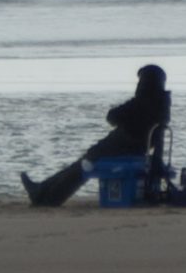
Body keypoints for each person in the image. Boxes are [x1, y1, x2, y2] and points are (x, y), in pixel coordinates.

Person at [21, 64, 169, 207]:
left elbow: (112, 116)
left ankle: (48, 197)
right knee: (81, 165)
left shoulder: (141, 102)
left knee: (82, 166)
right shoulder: (161, 103)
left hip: (120, 147)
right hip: (135, 148)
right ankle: (42, 191)